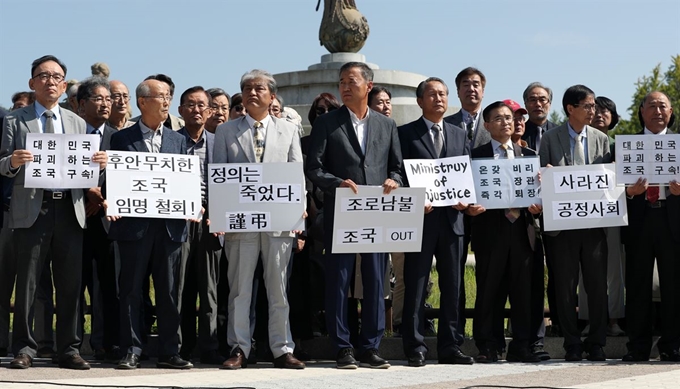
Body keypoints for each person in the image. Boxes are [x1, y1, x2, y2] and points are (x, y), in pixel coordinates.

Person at [0, 55, 108, 370]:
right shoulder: (14, 120)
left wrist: (97, 166)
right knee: (29, 284)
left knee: (70, 283)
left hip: (69, 209)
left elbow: (82, 172)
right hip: (32, 208)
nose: (50, 81)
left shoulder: (76, 121)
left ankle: (69, 349)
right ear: (32, 83)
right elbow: (1, 164)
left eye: (56, 76)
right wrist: (13, 162)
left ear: (63, 85)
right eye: (43, 75)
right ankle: (25, 348)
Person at [306, 61, 402, 369]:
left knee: (375, 279)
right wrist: (337, 184)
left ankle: (371, 346)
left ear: (368, 86)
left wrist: (394, 180)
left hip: (376, 211)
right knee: (340, 279)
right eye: (342, 82)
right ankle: (342, 346)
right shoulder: (327, 123)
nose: (345, 87)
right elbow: (314, 168)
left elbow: (397, 167)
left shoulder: (386, 125)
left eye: (351, 81)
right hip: (342, 210)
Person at [215, 70, 305, 370]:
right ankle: (239, 348)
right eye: (246, 89)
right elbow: (218, 177)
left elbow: (297, 175)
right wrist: (220, 215)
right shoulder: (227, 132)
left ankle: (282, 348)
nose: (252, 93)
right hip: (240, 223)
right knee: (240, 290)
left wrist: (298, 213)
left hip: (279, 222)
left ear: (272, 96)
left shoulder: (289, 130)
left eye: (258, 88)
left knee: (278, 289)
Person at [108, 79, 193, 370]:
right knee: (131, 289)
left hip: (170, 227)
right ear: (143, 102)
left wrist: (195, 203)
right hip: (134, 226)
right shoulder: (121, 139)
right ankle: (132, 348)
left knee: (169, 290)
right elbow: (115, 181)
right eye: (161, 96)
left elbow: (188, 181)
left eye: (169, 96)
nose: (167, 101)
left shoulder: (178, 140)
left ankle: (171, 350)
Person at [398, 77, 473, 367]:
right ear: (420, 101)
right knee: (416, 284)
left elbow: (463, 175)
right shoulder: (405, 134)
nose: (439, 99)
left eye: (442, 94)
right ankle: (415, 346)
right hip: (421, 219)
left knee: (453, 286)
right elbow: (399, 172)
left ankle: (450, 345)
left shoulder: (458, 134)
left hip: (453, 220)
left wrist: (465, 199)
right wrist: (414, 196)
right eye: (432, 94)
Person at [539, 84, 611, 362]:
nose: (594, 111)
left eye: (594, 106)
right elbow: (542, 181)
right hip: (563, 225)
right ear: (571, 109)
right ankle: (572, 343)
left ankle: (597, 342)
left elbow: (606, 179)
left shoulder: (601, 139)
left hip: (594, 225)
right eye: (589, 106)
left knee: (596, 285)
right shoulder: (549, 139)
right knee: (565, 287)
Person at [469, 101, 542, 363]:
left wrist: (538, 204)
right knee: (490, 290)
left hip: (523, 230)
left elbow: (540, 196)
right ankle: (488, 345)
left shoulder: (529, 155)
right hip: (490, 230)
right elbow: (467, 194)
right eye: (498, 118)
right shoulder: (475, 156)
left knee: (524, 291)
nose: (506, 122)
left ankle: (522, 345)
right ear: (487, 125)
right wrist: (469, 207)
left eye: (509, 118)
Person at [622, 91, 680, 362]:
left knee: (674, 285)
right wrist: (631, 192)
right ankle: (638, 346)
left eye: (663, 106)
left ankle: (672, 345)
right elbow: (610, 190)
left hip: (672, 221)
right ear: (642, 111)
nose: (658, 111)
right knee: (637, 285)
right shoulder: (626, 146)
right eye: (652, 106)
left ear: (671, 112)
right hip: (640, 220)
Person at [175, 86, 224, 365]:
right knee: (179, 287)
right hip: (179, 221)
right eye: (190, 105)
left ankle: (209, 346)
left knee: (209, 290)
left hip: (210, 222)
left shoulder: (220, 143)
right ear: (181, 111)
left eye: (201, 105)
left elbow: (228, 184)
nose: (196, 110)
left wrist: (216, 211)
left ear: (209, 112)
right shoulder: (171, 142)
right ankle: (180, 346)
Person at [443, 67, 491, 339]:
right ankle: (455, 333)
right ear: (457, 90)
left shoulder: (496, 122)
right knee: (452, 277)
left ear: (483, 90)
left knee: (487, 274)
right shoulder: (445, 123)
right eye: (465, 84)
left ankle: (484, 334)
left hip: (487, 212)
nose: (471, 89)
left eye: (476, 84)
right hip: (454, 211)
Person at [76, 76, 121, 362]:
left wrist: (102, 197)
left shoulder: (120, 137)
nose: (106, 104)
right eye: (98, 99)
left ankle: (109, 343)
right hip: (76, 220)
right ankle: (73, 344)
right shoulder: (70, 135)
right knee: (73, 286)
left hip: (108, 221)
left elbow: (132, 177)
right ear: (82, 104)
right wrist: (85, 191)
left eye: (109, 99)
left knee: (109, 286)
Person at [578, 96, 625, 337]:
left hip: (613, 212)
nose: (599, 115)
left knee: (614, 269)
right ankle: (588, 319)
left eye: (605, 111)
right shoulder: (578, 142)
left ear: (613, 117)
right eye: (594, 109)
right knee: (585, 269)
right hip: (584, 214)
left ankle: (614, 319)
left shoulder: (621, 146)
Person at [521, 82, 560, 360]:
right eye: (532, 99)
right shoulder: (516, 132)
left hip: (558, 213)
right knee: (528, 274)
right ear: (525, 104)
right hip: (526, 214)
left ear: (550, 102)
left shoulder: (560, 133)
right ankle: (526, 328)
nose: (538, 104)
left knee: (560, 272)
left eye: (543, 99)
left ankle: (559, 322)